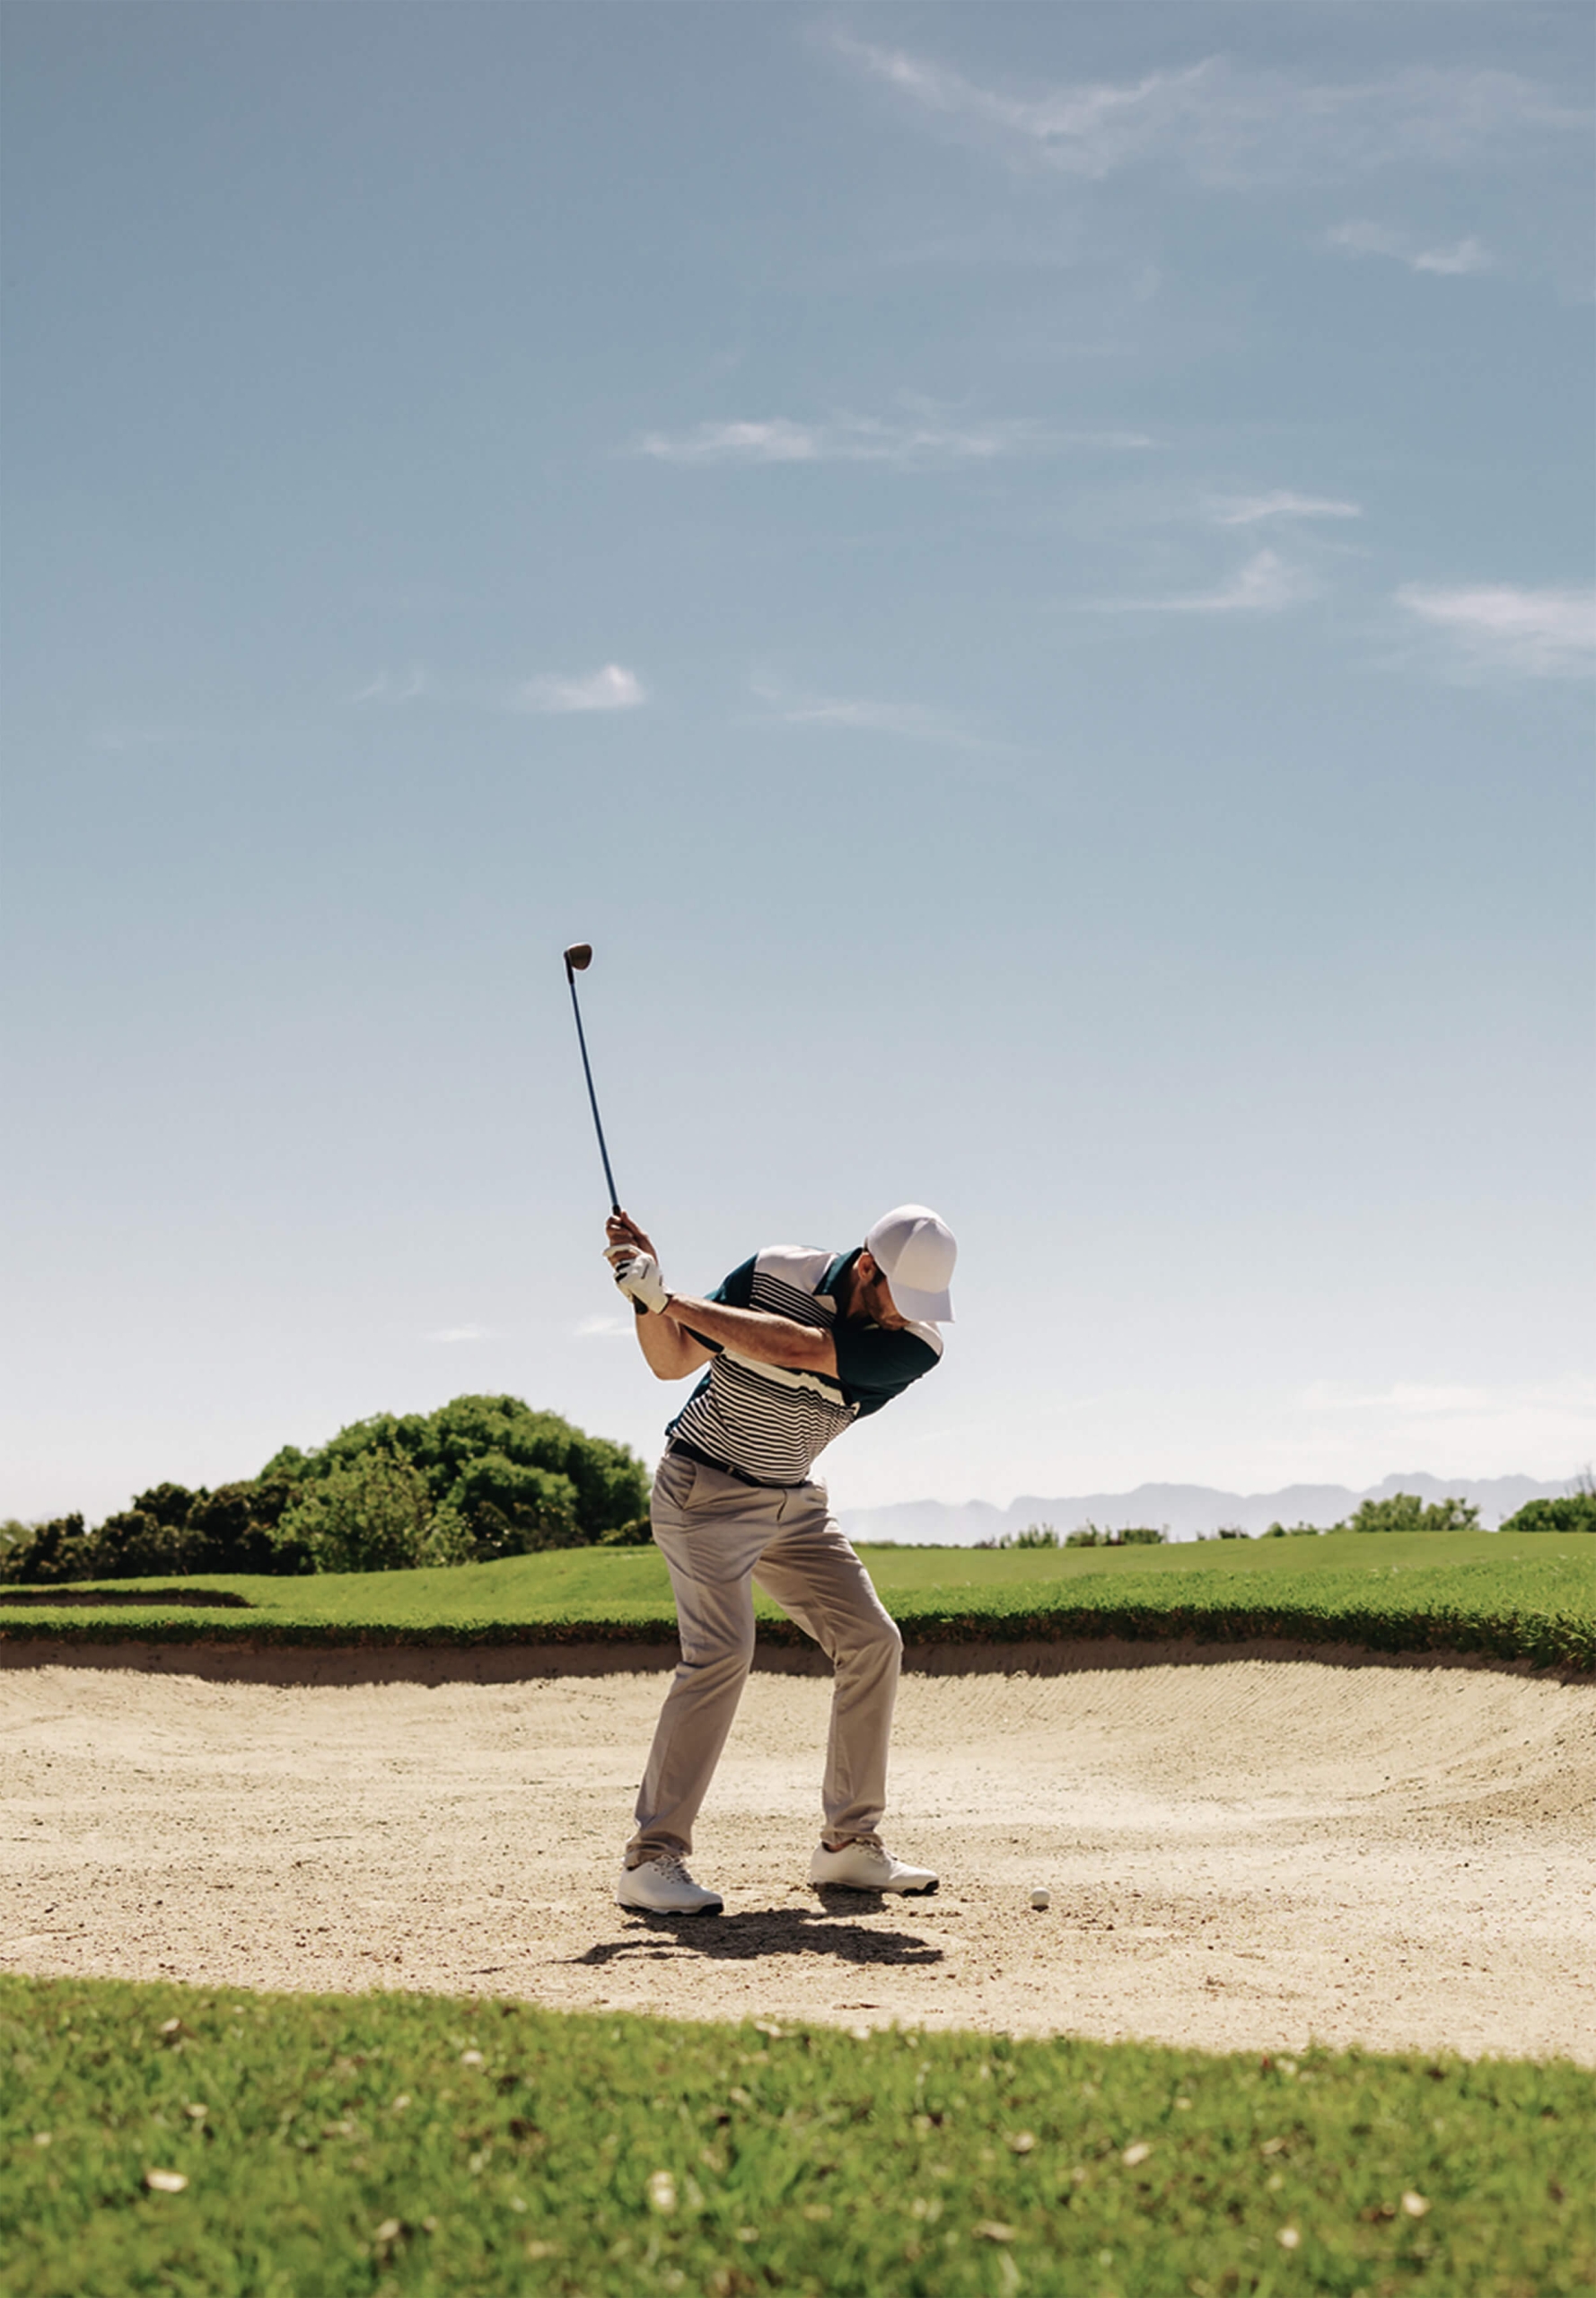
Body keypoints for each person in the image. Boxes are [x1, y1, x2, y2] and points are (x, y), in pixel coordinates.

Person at [603, 1203, 958, 1915]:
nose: (904, 1317)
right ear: (866, 1267)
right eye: (898, 1298)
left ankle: (848, 1847)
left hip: (793, 1503)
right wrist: (646, 1297)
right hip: (702, 1487)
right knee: (722, 1652)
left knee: (871, 1641)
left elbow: (797, 1349)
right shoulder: (773, 1271)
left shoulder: (916, 1346)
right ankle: (651, 1859)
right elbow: (671, 1361)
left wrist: (670, 1296)